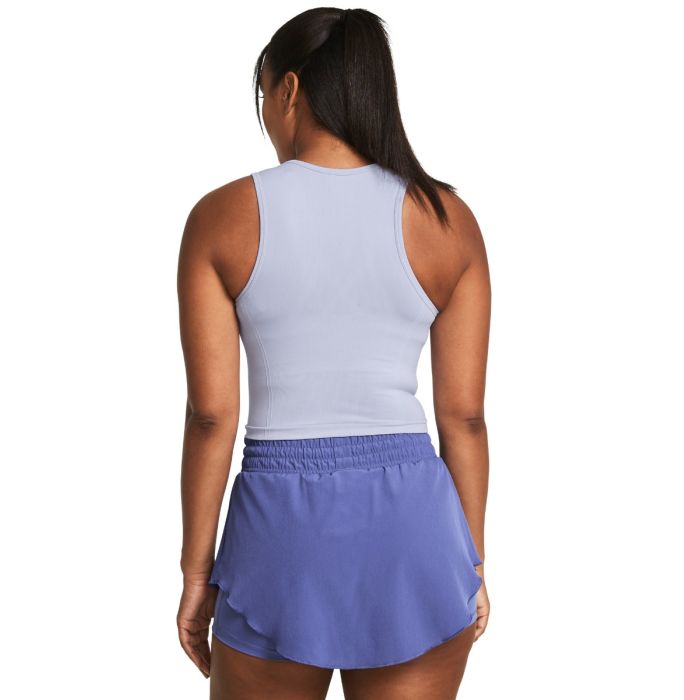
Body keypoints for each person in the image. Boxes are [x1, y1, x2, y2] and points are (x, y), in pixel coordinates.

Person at [176, 7, 491, 699]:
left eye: (264, 95)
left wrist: (197, 573)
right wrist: (468, 562)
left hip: (280, 529)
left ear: (289, 89)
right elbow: (464, 419)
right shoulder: (446, 219)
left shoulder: (221, 216)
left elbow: (210, 416)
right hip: (416, 529)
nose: (267, 115)